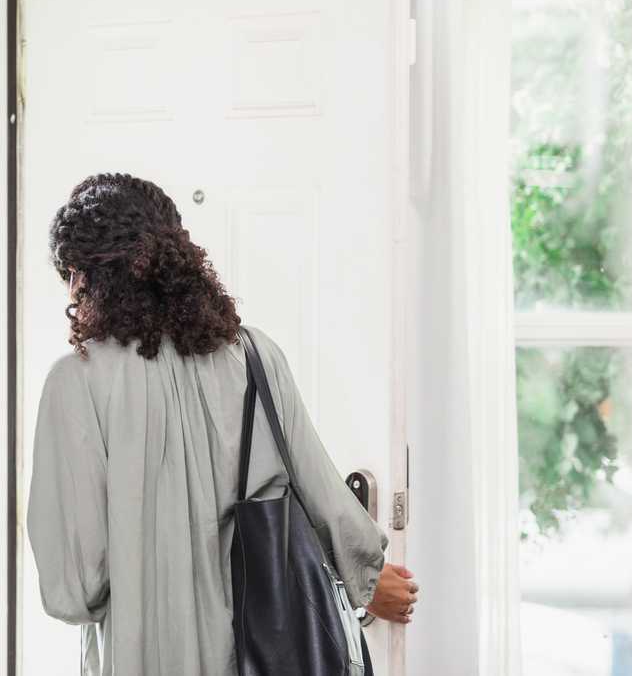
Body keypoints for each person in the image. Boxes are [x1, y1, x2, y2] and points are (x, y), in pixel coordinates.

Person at [27, 173, 420, 675]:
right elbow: (323, 496)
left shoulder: (75, 383)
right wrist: (370, 578)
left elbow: (74, 588)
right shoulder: (256, 356)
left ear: (85, 275)